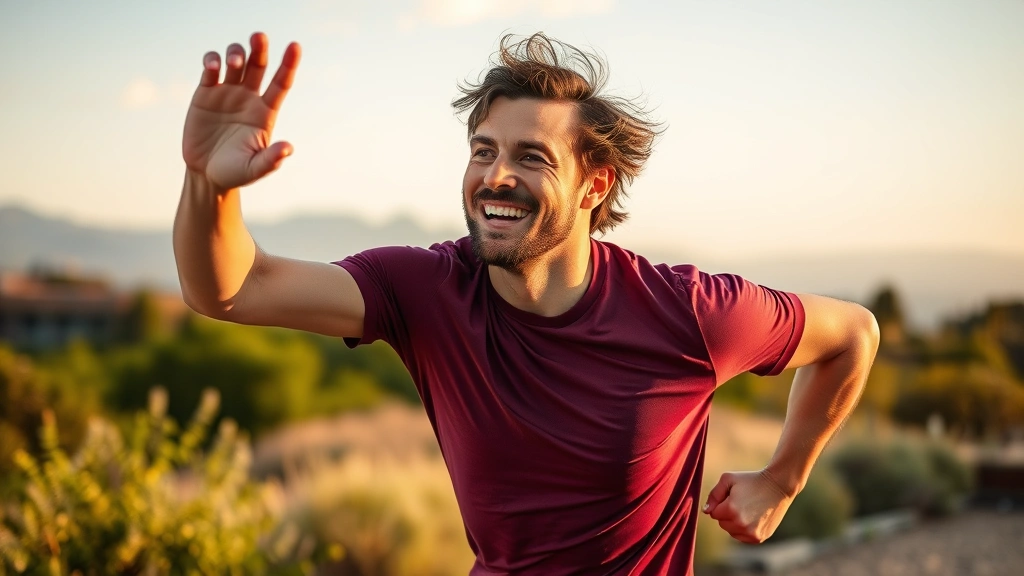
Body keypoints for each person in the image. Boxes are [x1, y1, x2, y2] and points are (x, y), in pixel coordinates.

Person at [175, 31, 879, 575]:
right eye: (483, 151)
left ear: (594, 185)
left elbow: (854, 333)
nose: (496, 177)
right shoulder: (426, 291)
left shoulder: (688, 313)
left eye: (531, 157)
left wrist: (783, 479)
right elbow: (235, 288)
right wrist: (208, 184)